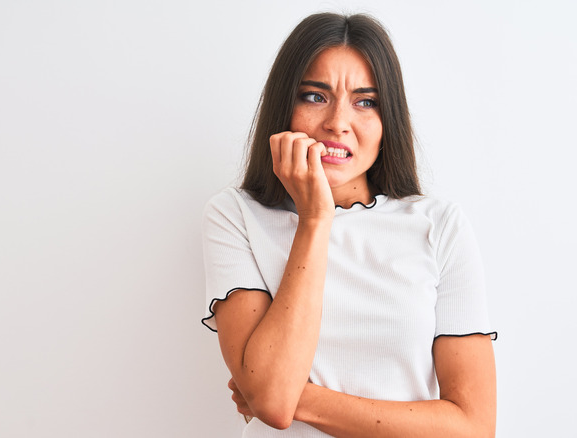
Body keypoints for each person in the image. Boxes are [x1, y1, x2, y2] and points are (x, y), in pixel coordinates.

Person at [201, 12, 497, 437]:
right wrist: (315, 219)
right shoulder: (236, 216)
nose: (338, 123)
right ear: (284, 106)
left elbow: (473, 427)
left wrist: (287, 394)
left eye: (365, 101)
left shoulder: (439, 225)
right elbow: (271, 404)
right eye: (315, 96)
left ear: (387, 119)